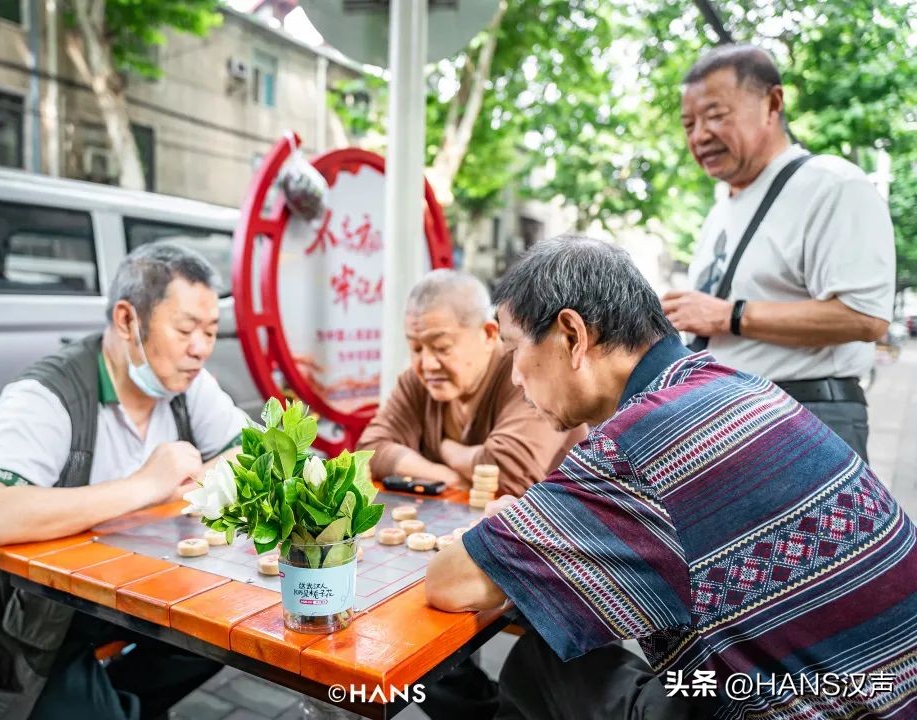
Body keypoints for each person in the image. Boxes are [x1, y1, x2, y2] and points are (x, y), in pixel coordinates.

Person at [427, 237, 917, 720]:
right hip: (888, 691)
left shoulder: (637, 444)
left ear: (572, 336)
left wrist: (509, 525)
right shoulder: (735, 386)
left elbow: (451, 583)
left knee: (543, 665)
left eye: (514, 350)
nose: (514, 377)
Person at [0, 242, 249, 720]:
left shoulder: (186, 383)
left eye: (211, 332)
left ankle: (118, 704)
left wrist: (202, 476)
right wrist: (145, 485)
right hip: (18, 617)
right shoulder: (45, 396)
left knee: (226, 630)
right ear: (126, 321)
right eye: (185, 329)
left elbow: (252, 452)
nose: (200, 348)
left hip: (122, 593)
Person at [663, 44, 895, 462]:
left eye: (716, 115)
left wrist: (728, 315)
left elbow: (866, 317)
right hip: (721, 422)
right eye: (688, 123)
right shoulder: (720, 208)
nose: (699, 135)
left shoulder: (832, 185)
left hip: (805, 420)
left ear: (772, 103)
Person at [359, 269, 585, 496]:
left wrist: (445, 448)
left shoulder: (526, 374)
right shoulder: (419, 381)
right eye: (416, 348)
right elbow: (368, 450)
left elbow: (505, 472)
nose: (427, 364)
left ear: (488, 334)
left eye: (442, 348)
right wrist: (447, 476)